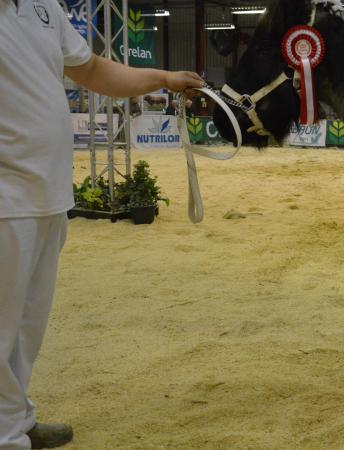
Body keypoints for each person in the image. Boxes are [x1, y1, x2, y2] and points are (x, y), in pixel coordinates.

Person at [0, 0, 204, 448]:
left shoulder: (43, 6)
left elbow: (92, 69)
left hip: (48, 193)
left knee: (25, 327)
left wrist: (164, 78)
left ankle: (14, 419)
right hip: (6, 197)